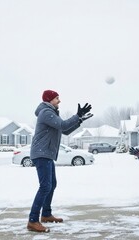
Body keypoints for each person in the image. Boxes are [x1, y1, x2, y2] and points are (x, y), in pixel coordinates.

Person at [27, 90, 93, 233]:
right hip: (42, 153)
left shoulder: (51, 113)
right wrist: (77, 115)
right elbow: (63, 125)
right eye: (57, 98)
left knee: (52, 185)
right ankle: (32, 221)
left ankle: (46, 214)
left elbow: (65, 131)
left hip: (46, 154)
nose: (59, 101)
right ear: (49, 100)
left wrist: (79, 120)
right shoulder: (46, 112)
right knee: (45, 186)